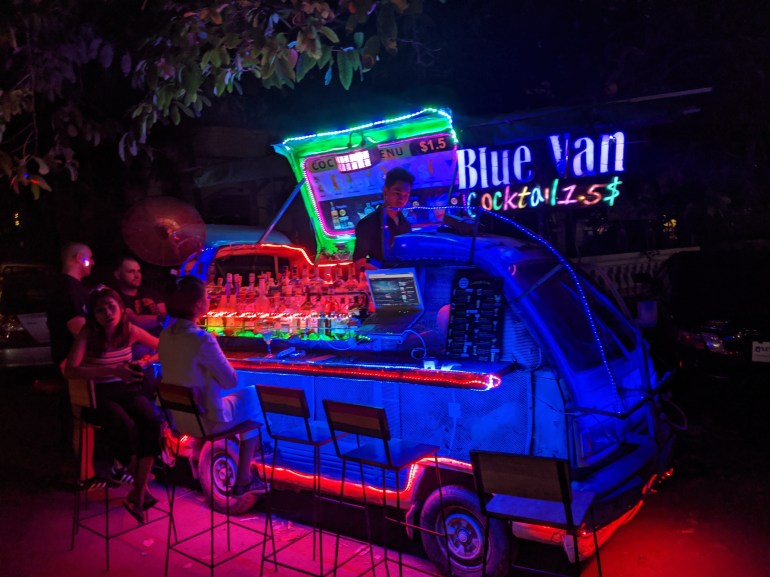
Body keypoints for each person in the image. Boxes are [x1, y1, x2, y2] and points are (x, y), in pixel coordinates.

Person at [159, 276, 266, 496]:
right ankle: (244, 479)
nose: (209, 300)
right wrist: (215, 355)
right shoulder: (202, 339)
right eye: (207, 296)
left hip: (180, 420)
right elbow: (230, 381)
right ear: (198, 304)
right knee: (253, 397)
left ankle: (198, 451)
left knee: (240, 401)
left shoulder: (165, 336)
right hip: (208, 420)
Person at [63, 286, 161, 523]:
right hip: (98, 395)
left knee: (152, 421)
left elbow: (162, 346)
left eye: (111, 307)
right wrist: (113, 370)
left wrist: (147, 360)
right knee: (123, 425)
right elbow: (71, 370)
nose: (107, 313)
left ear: (121, 309)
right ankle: (141, 490)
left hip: (126, 390)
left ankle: (138, 492)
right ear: (93, 315)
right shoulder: (88, 333)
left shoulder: (129, 330)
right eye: (100, 310)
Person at [352, 167, 414, 270]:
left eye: (406, 195)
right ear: (385, 191)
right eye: (397, 193)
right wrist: (385, 273)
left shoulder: (405, 224)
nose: (402, 199)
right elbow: (359, 261)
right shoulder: (368, 223)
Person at [112, 256, 166, 333]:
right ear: (118, 275)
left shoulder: (150, 292)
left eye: (139, 271)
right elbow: (134, 320)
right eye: (131, 272)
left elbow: (164, 312)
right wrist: (161, 319)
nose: (137, 276)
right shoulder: (116, 298)